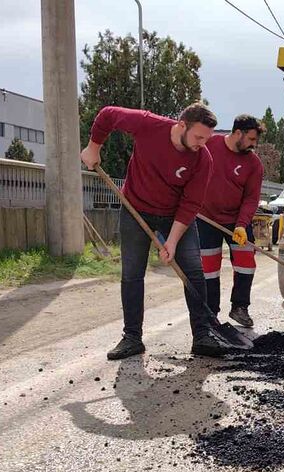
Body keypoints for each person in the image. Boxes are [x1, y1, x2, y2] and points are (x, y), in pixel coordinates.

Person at [79, 103, 226, 360]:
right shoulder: (148, 125)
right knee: (132, 274)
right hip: (135, 209)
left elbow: (191, 203)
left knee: (193, 270)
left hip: (175, 216)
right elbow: (107, 115)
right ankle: (132, 338)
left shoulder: (203, 159)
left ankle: (202, 335)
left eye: (207, 139)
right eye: (198, 137)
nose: (203, 143)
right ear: (182, 125)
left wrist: (171, 241)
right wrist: (94, 148)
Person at [198, 115, 265, 328]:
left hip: (236, 221)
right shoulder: (209, 145)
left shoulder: (253, 164)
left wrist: (241, 224)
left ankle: (239, 307)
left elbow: (251, 198)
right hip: (205, 218)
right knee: (209, 268)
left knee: (246, 263)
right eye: (252, 139)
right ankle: (211, 313)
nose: (254, 145)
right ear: (238, 133)